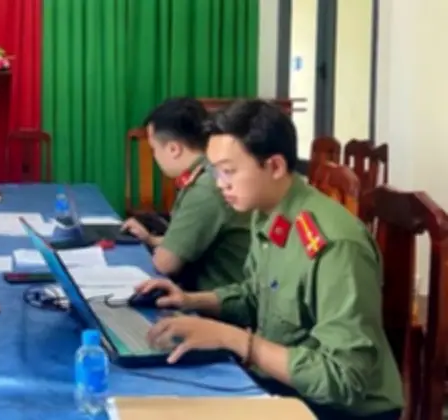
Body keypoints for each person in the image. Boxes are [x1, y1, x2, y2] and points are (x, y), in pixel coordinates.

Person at [135, 100, 403, 419]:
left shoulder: (334, 245)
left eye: (229, 171)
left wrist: (235, 340)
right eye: (215, 171)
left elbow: (343, 378)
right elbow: (256, 295)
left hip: (339, 409)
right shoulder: (268, 213)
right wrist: (190, 300)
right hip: (287, 384)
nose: (219, 183)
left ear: (274, 166)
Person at [121, 97, 251, 291]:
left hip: (220, 301)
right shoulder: (209, 172)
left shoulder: (205, 188)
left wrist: (159, 250)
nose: (155, 156)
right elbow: (195, 240)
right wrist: (150, 240)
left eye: (154, 149)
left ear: (173, 149)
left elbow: (165, 264)